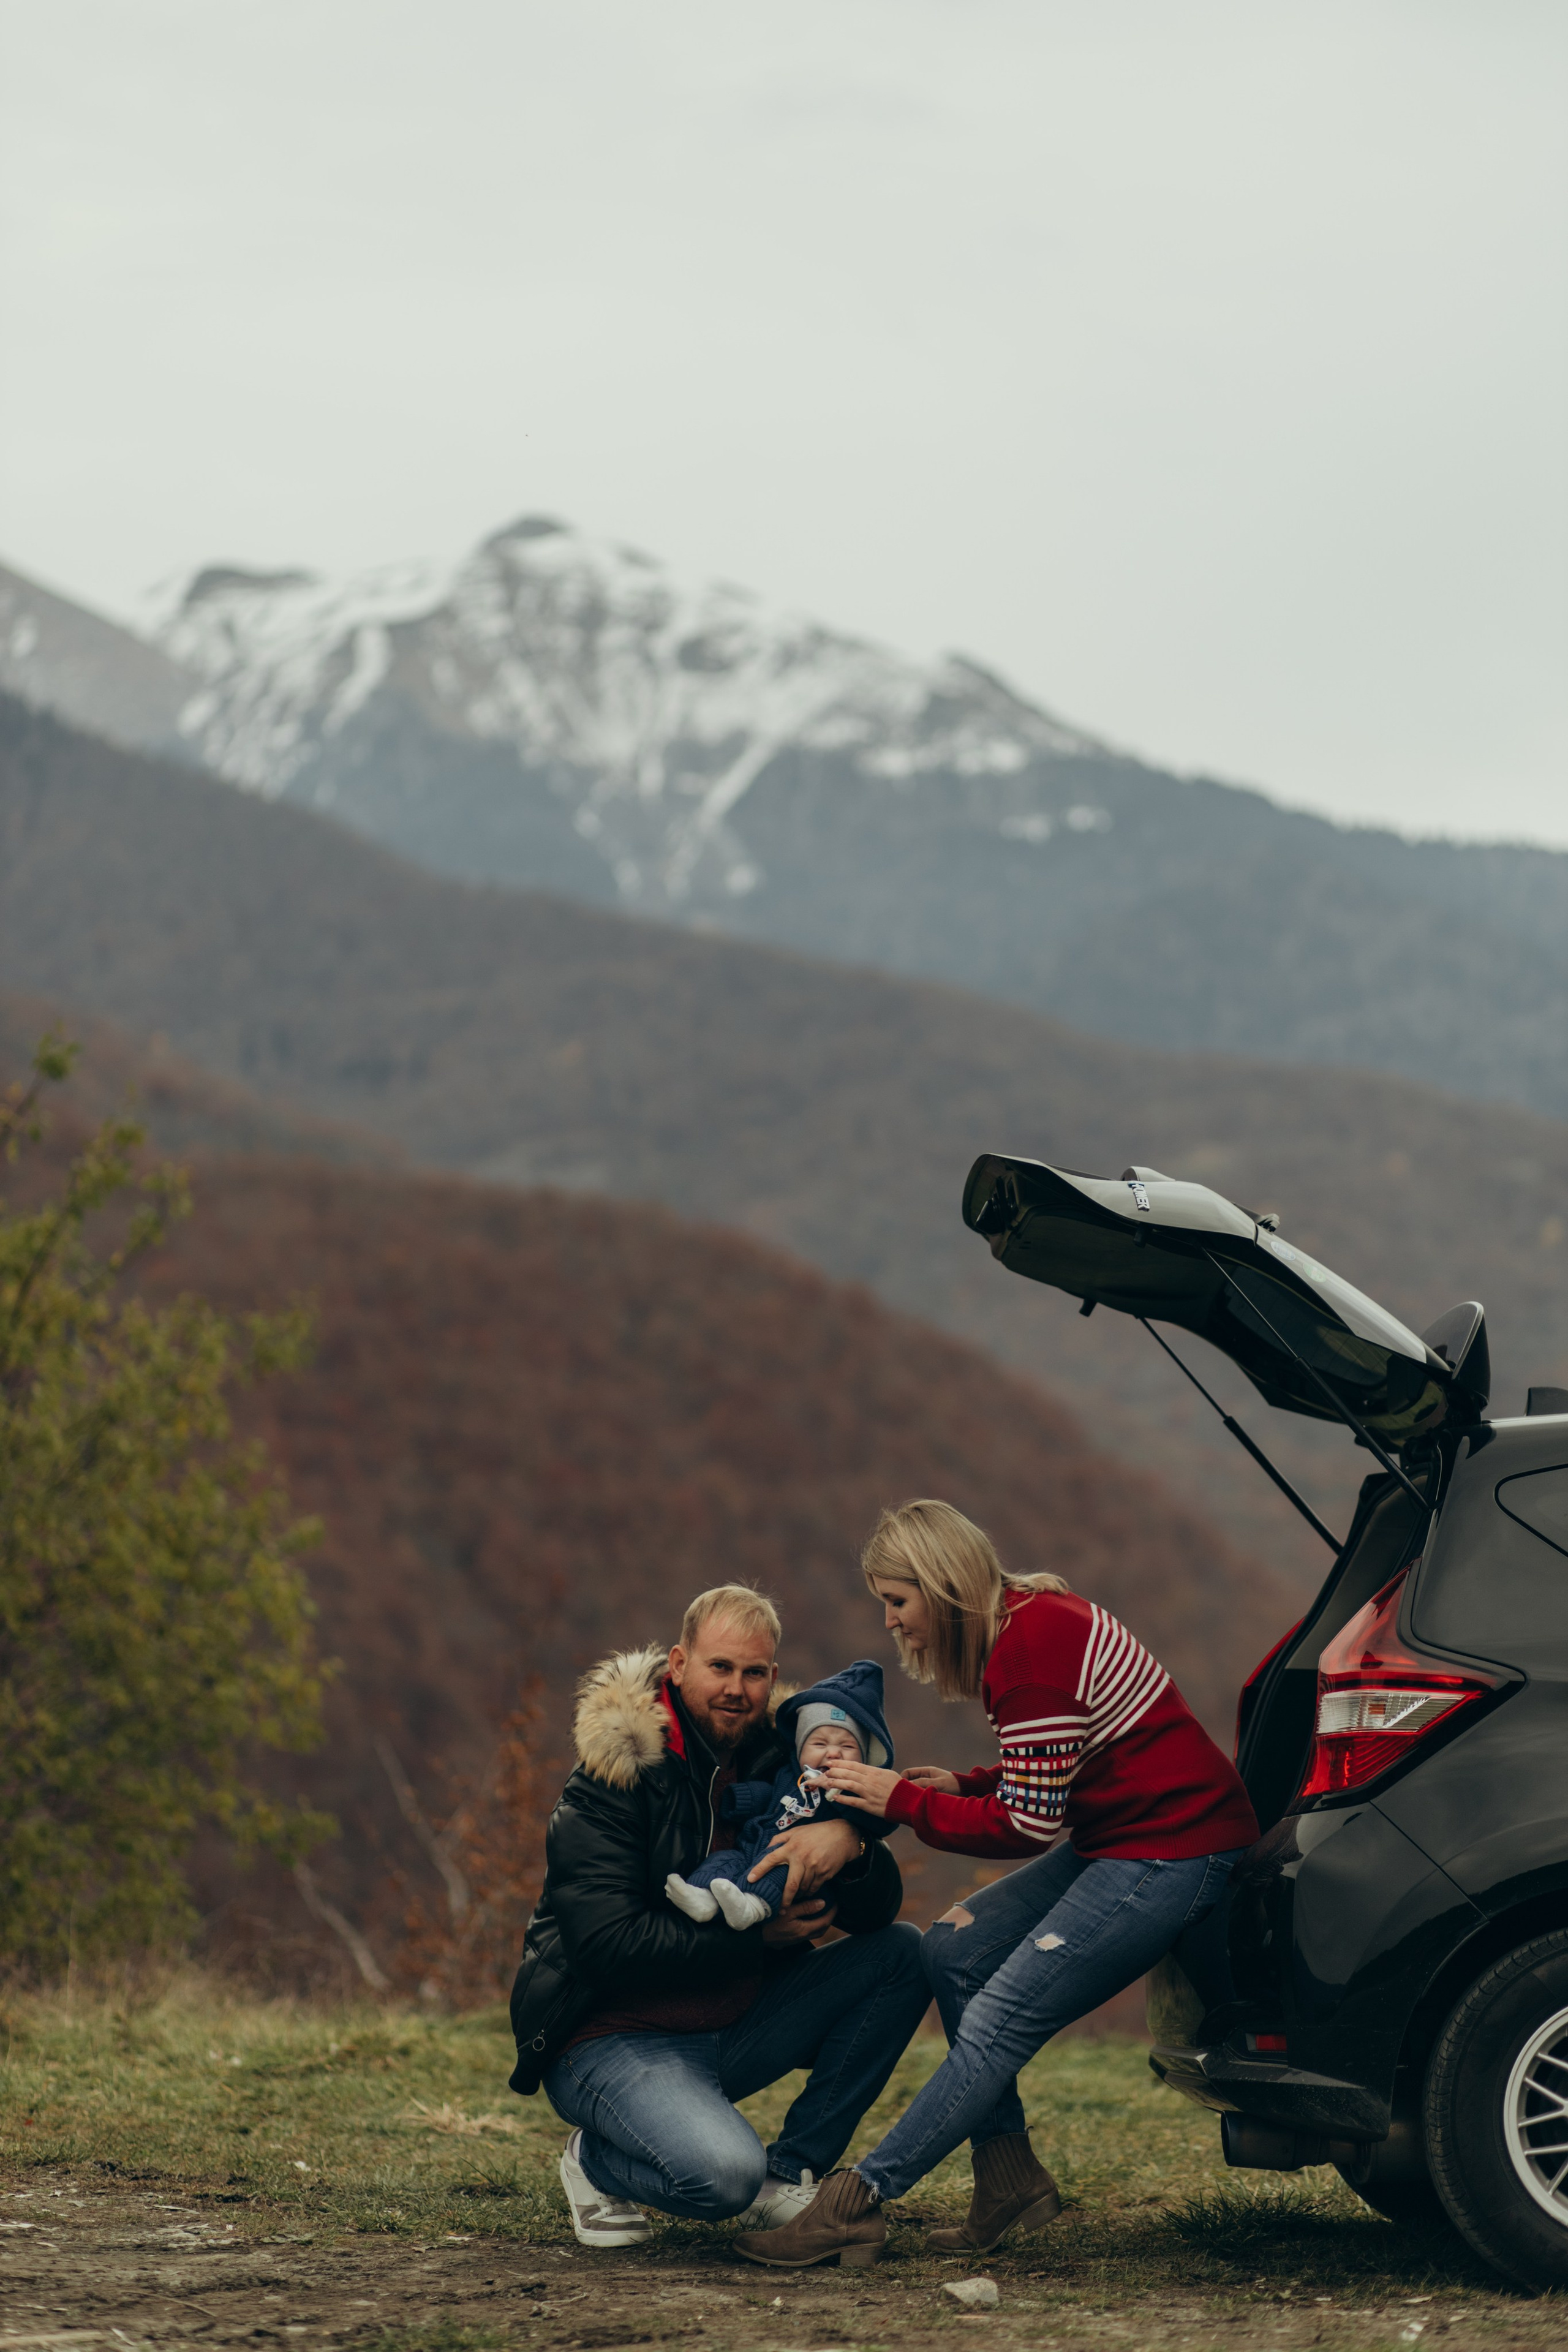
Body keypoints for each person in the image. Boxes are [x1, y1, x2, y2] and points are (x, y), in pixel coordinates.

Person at [734, 1501, 1260, 2271]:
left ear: (940, 1585)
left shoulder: (1027, 1655)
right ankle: (1008, 2178)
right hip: (1121, 1834)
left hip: (1175, 1848)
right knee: (952, 1949)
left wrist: (902, 1801)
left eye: (897, 1600)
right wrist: (964, 1783)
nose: (890, 1621)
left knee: (1001, 2018)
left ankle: (856, 2201)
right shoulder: (1022, 1624)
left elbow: (1025, 1825)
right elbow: (1052, 1768)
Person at [508, 1585, 928, 2252]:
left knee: (902, 1955)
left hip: (732, 2022)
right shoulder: (613, 1777)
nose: (737, 1689)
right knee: (723, 2178)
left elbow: (877, 1913)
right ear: (679, 1665)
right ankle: (595, 2159)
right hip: (608, 2038)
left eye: (754, 1673)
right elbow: (604, 1947)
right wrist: (755, 1938)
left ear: (772, 1676)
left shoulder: (787, 1759)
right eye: (720, 1667)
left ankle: (789, 2173)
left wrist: (847, 1841)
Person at [666, 1659, 894, 1928]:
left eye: (847, 1746)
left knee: (778, 1873)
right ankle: (703, 1897)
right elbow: (771, 1796)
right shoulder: (787, 1774)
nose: (833, 1753)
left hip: (798, 1869)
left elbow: (882, 1819)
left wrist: (851, 1832)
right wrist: (741, 1799)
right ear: (799, 1748)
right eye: (819, 1743)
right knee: (723, 1861)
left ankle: (753, 1907)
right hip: (751, 1848)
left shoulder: (853, 1793)